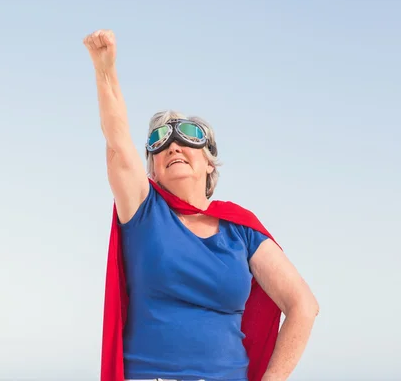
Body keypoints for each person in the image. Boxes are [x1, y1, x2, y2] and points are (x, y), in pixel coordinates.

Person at [83, 29, 319, 381]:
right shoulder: (144, 211)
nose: (173, 147)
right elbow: (117, 143)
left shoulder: (241, 229)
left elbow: (304, 306)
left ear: (210, 162)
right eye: (160, 144)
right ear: (153, 170)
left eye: (189, 138)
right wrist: (105, 70)